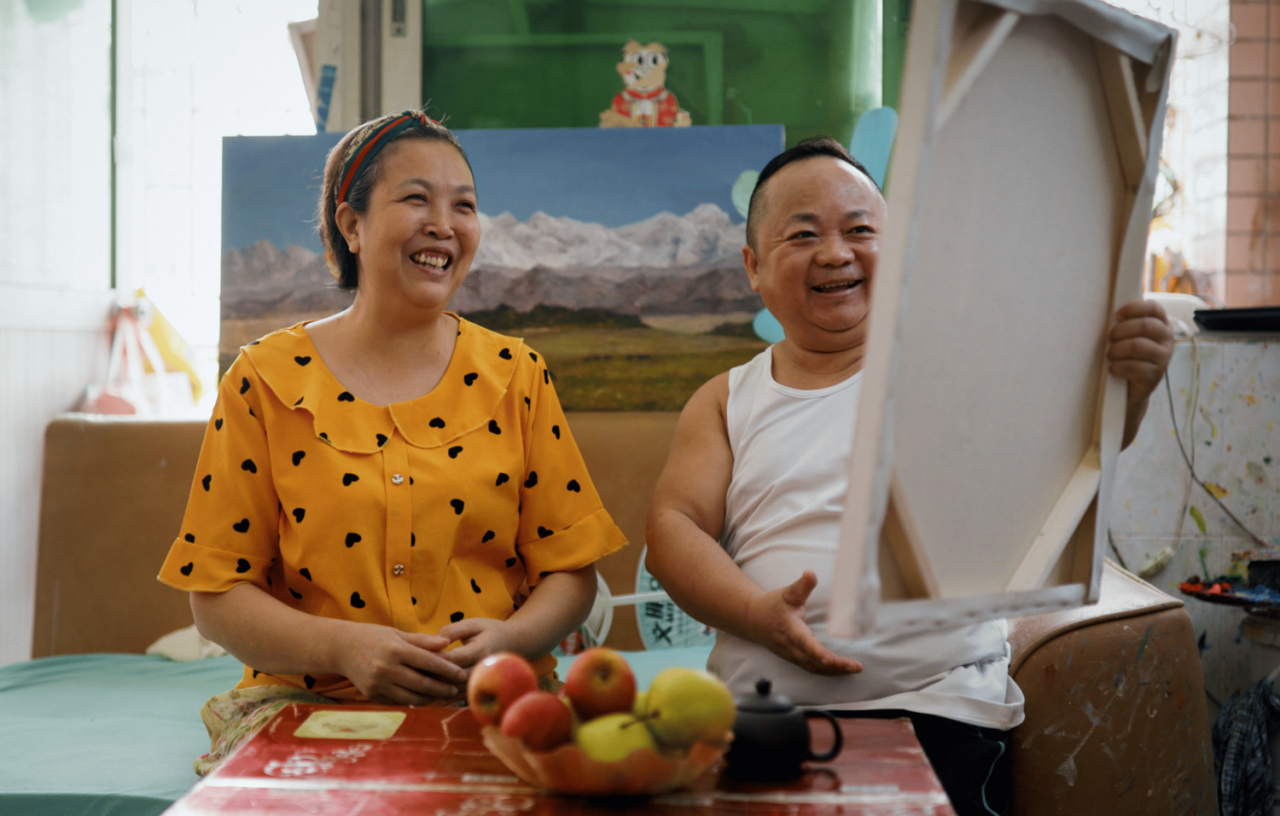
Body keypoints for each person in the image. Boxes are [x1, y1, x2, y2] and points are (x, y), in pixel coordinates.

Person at [644, 137, 1174, 816]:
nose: (835, 253)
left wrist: (1133, 390)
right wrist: (756, 613)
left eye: (860, 230)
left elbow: (1066, 462)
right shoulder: (727, 399)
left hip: (940, 709)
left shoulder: (957, 372)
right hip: (763, 714)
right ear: (753, 265)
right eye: (803, 234)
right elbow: (674, 526)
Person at [158, 111, 627, 772]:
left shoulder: (516, 375)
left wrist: (513, 639)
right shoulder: (263, 381)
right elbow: (215, 596)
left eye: (463, 205)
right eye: (415, 198)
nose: (443, 224)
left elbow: (570, 571)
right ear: (351, 225)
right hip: (307, 702)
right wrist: (344, 649)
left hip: (493, 699)